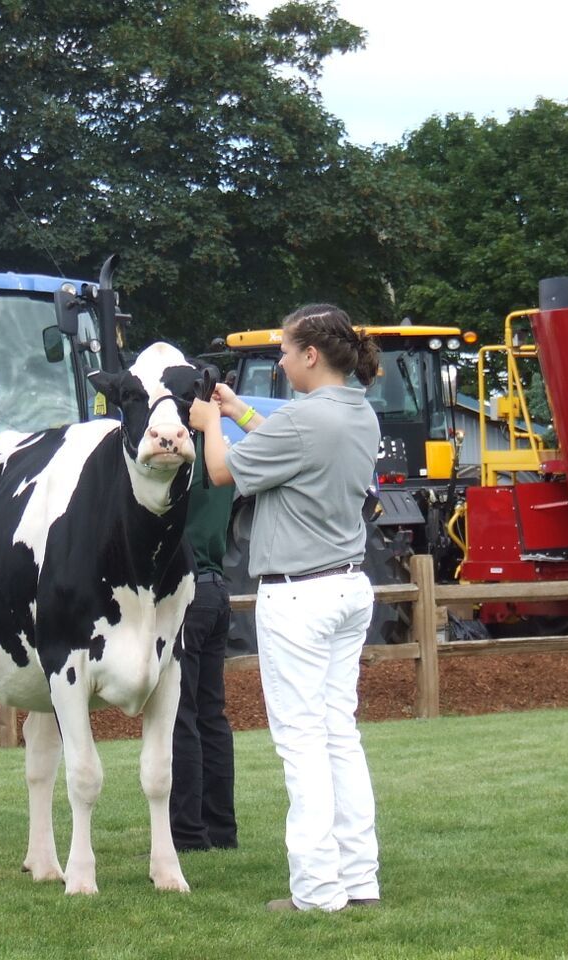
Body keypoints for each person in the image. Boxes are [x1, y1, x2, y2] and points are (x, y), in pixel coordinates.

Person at [189, 303, 381, 913]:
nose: (278, 358)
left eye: (284, 349)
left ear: (310, 355)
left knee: (301, 745)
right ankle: (360, 882)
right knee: (339, 738)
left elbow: (221, 471)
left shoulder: (301, 421)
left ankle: (317, 892)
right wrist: (236, 409)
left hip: (299, 594)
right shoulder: (359, 411)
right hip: (349, 587)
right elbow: (286, 443)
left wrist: (206, 422)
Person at [169, 431, 237, 852]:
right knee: (212, 714)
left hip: (187, 592)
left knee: (181, 714)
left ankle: (188, 833)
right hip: (218, 589)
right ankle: (221, 829)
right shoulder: (222, 453)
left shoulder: (185, 459)